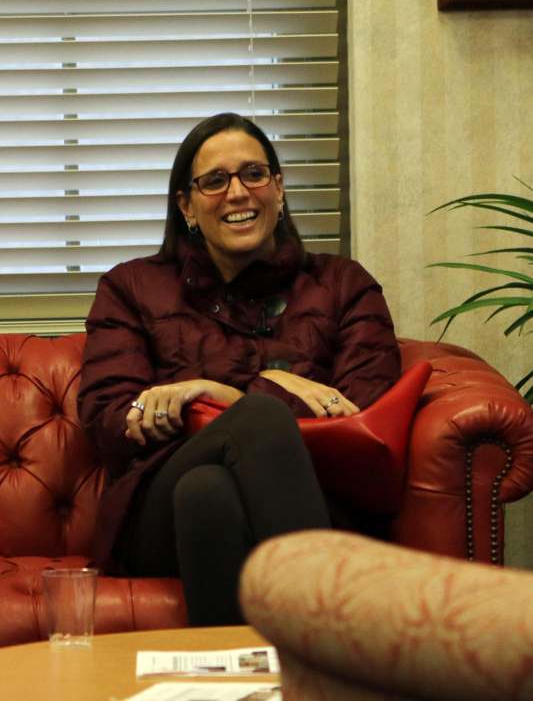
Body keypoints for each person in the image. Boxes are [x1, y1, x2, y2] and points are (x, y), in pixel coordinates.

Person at [78, 112, 401, 626]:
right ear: (186, 205)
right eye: (214, 181)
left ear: (279, 188)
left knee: (208, 492)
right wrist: (261, 398)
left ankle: (234, 668)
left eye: (253, 174)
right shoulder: (131, 288)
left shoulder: (344, 285)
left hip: (316, 496)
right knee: (249, 430)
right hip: (156, 512)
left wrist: (217, 394)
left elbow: (364, 414)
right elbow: (110, 419)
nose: (237, 193)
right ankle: (326, 637)